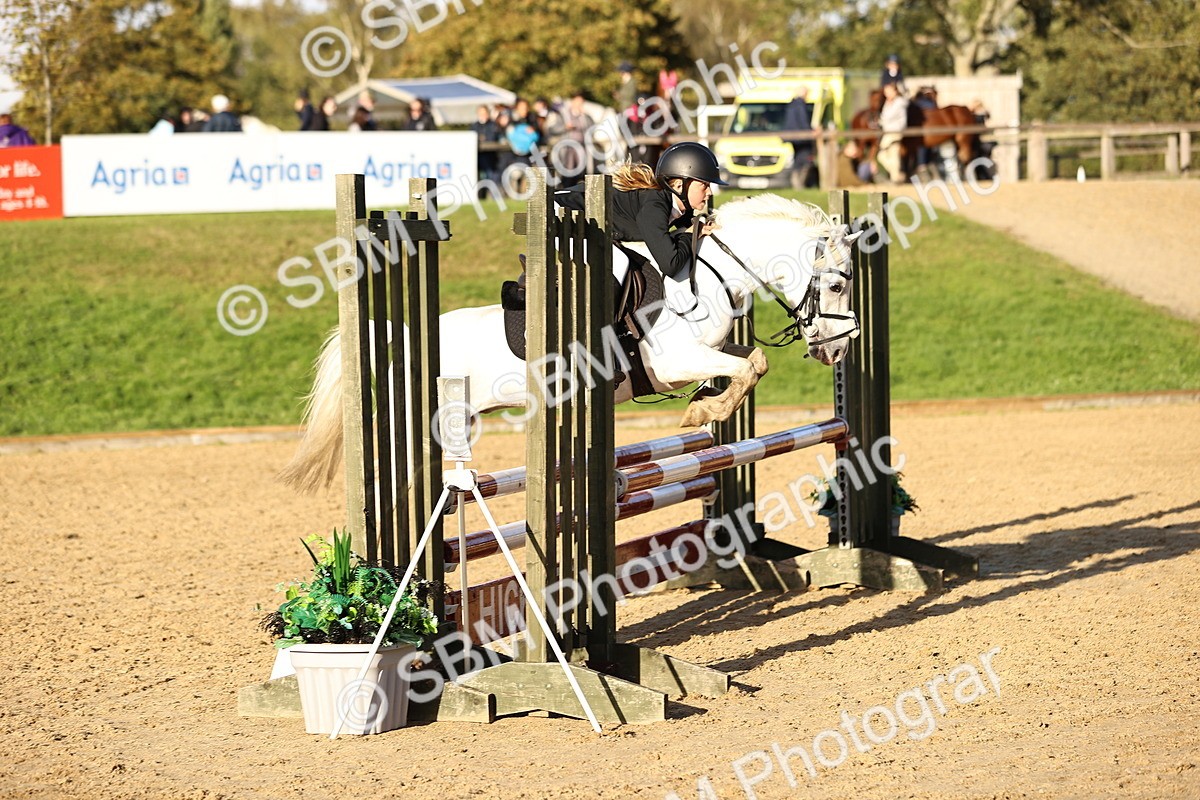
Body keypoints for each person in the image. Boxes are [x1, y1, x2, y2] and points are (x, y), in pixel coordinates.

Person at [556, 142, 725, 298]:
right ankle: (607, 325)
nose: (710, 192)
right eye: (704, 185)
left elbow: (690, 224)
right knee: (619, 263)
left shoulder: (675, 203)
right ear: (680, 185)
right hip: (560, 215)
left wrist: (701, 227)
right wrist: (691, 235)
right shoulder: (655, 206)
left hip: (578, 217)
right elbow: (670, 265)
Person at [876, 81, 909, 183]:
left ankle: (895, 178)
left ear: (895, 91)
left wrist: (880, 119)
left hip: (895, 132)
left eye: (888, 91)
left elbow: (888, 116)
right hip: (888, 132)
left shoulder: (899, 102)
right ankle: (897, 175)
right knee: (883, 155)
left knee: (892, 154)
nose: (886, 93)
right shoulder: (888, 102)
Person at [783, 86, 815, 187]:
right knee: (804, 161)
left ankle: (796, 183)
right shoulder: (800, 105)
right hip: (802, 138)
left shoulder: (791, 105)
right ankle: (799, 184)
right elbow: (803, 122)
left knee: (797, 160)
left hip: (793, 138)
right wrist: (811, 132)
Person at [471, 104, 501, 187]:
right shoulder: (474, 126)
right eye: (481, 113)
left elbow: (493, 137)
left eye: (484, 113)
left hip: (491, 157)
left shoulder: (493, 125)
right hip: (477, 156)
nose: (482, 115)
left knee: (491, 176)